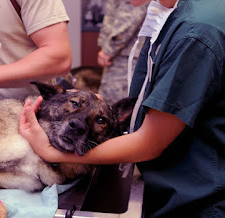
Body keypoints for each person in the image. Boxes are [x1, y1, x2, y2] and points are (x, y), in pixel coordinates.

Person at [19, 0, 225, 217]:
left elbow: (149, 143)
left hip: (199, 199)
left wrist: (50, 152)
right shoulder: (172, 14)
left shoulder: (195, 34)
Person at [97, 0, 146, 105]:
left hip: (125, 56)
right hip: (124, 54)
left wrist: (108, 50)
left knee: (115, 106)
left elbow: (129, 18)